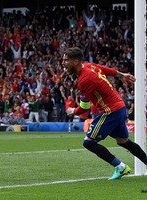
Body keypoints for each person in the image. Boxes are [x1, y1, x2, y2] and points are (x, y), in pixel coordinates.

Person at [63, 47, 147, 180]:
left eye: (66, 60)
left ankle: (120, 167)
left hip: (110, 111)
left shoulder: (84, 80)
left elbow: (84, 107)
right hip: (119, 107)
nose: (63, 63)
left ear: (76, 62)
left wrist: (73, 111)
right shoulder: (89, 66)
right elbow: (106, 69)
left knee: (88, 142)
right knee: (123, 141)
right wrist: (122, 75)